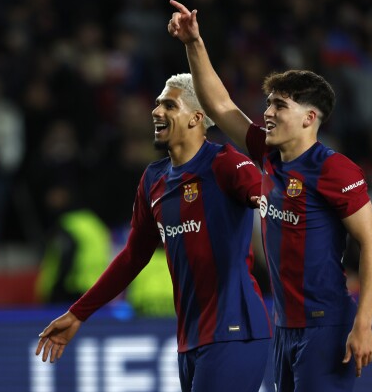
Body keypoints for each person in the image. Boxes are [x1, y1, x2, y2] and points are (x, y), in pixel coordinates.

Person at [168, 0, 372, 392]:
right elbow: (219, 104)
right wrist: (194, 43)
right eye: (268, 102)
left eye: (279, 105)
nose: (267, 111)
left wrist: (364, 323)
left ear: (309, 118)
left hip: (327, 325)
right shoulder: (266, 153)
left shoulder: (334, 169)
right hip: (283, 326)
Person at [36, 73, 272, 392]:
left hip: (236, 329)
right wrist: (79, 313)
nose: (156, 112)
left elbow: (273, 201)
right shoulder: (154, 179)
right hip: (190, 338)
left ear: (196, 118)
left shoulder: (227, 163)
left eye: (169, 105)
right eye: (157, 104)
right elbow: (133, 256)